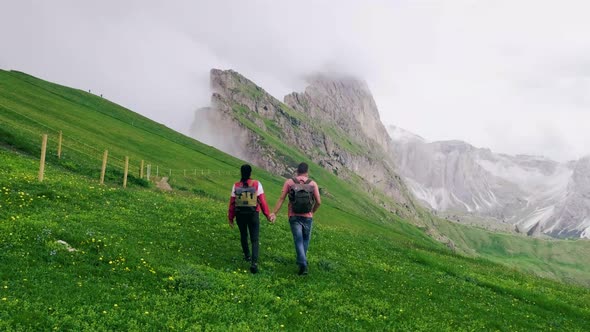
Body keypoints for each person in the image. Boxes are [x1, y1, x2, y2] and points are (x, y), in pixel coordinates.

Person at [271, 162, 321, 275]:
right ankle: (303, 261)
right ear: (307, 172)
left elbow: (281, 199)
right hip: (308, 217)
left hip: (294, 216)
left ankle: (302, 263)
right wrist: (312, 211)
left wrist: (274, 213)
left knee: (298, 240)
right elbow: (319, 202)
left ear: (297, 170)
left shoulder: (290, 182)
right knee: (305, 239)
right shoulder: (313, 184)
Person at [228, 164, 274, 274]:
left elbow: (232, 203)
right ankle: (254, 263)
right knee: (255, 239)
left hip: (240, 215)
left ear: (241, 173)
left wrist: (231, 218)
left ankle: (247, 256)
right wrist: (267, 215)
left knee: (243, 235)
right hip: (253, 214)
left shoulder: (236, 185)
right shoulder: (256, 184)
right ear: (250, 173)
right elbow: (262, 202)